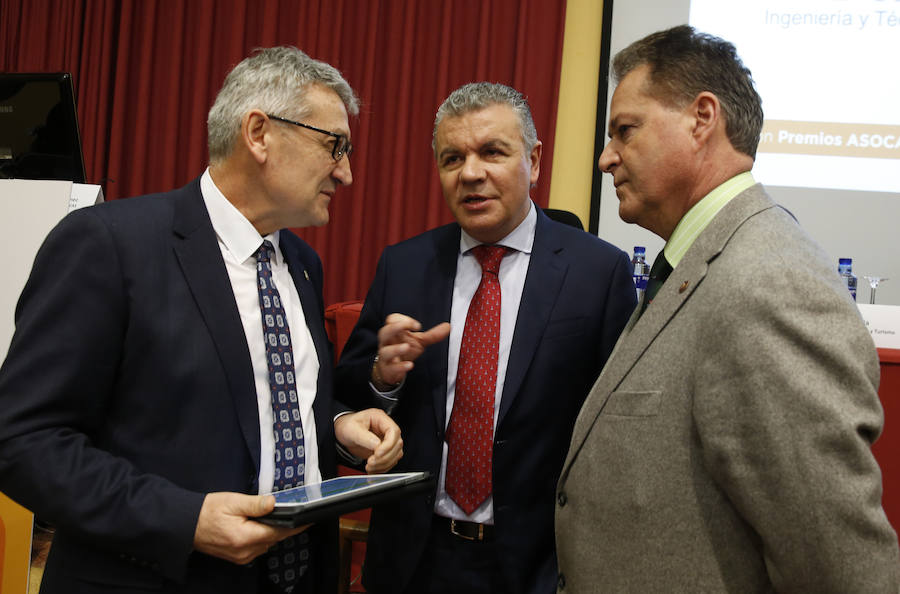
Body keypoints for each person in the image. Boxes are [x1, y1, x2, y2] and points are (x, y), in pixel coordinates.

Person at [0, 47, 404, 594]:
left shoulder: (303, 266)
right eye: (334, 145)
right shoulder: (108, 246)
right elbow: (24, 441)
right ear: (259, 133)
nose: (347, 173)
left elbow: (264, 402)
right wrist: (183, 519)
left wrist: (335, 426)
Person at [554, 25, 900, 592]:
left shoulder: (769, 284)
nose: (605, 158)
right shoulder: (703, 265)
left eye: (625, 130)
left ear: (701, 118)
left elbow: (837, 564)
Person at [334, 82, 637, 594]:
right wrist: (383, 379)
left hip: (538, 564)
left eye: (492, 152)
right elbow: (346, 406)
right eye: (452, 158)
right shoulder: (404, 266)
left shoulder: (598, 272)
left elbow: (619, 434)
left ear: (534, 161)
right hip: (416, 559)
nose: (470, 173)